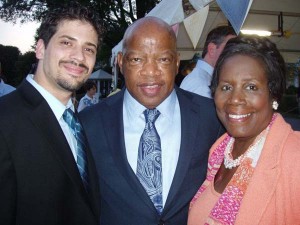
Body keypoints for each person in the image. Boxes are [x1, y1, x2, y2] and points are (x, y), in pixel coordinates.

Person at [80, 16, 223, 225]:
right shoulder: (89, 124)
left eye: (163, 59)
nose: (150, 72)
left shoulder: (211, 118)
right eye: (137, 59)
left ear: (176, 62)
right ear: (121, 62)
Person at [0, 3, 102, 225]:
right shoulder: (5, 121)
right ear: (41, 49)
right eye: (67, 43)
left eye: (89, 49)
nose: (78, 57)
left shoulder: (77, 122)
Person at [188, 36, 300, 224]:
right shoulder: (218, 152)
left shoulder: (294, 158)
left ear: (273, 93)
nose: (235, 99)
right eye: (226, 87)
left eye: (251, 87)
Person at [180, 25, 236, 98]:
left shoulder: (203, 80)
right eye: (230, 48)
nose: (235, 54)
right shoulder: (201, 85)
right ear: (212, 50)